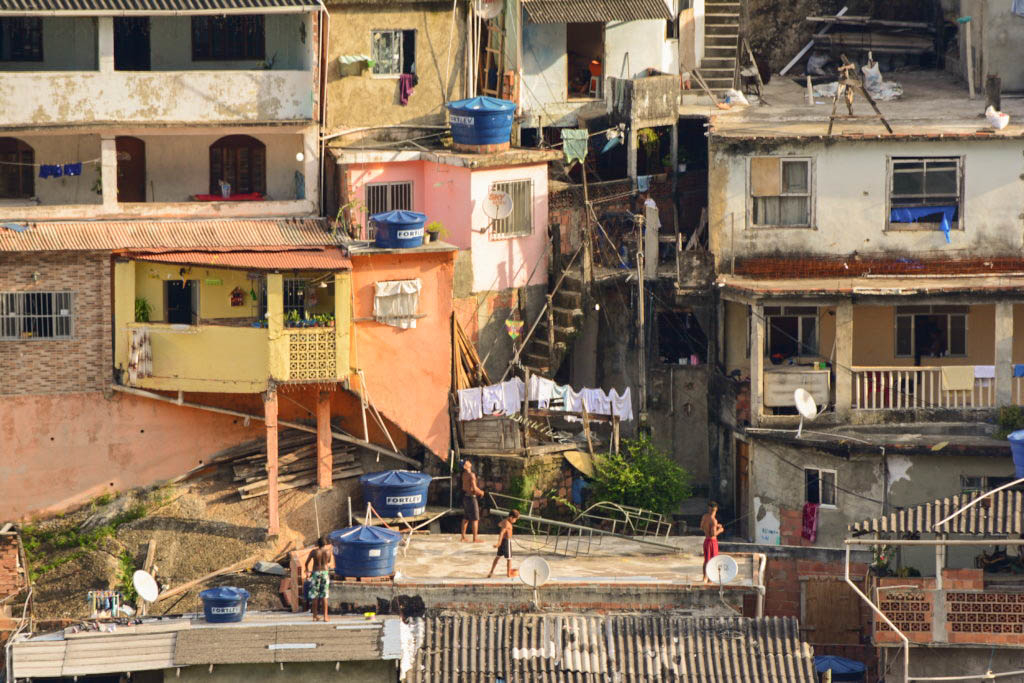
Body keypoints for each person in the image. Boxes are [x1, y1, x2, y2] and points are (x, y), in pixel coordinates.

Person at [305, 536, 333, 622]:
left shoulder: (313, 552)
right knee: (324, 596)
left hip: (315, 573)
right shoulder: (328, 552)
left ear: (318, 544)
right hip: (324, 573)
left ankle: (314, 616)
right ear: (325, 544)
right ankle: (325, 617)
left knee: (315, 596)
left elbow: (306, 563)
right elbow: (328, 562)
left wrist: (307, 571)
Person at [488, 509, 520, 578]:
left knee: (497, 557)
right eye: (515, 519)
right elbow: (502, 532)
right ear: (511, 517)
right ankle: (509, 574)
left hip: (503, 541)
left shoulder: (505, 521)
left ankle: (491, 572)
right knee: (509, 559)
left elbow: (499, 524)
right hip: (506, 542)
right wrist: (498, 543)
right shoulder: (507, 523)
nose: (515, 521)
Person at [460, 459, 485, 543]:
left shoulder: (464, 474)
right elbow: (474, 488)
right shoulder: (471, 475)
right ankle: (475, 539)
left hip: (465, 497)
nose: (468, 461)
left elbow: (464, 487)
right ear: (465, 466)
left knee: (465, 518)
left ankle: (463, 537)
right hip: (471, 498)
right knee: (475, 519)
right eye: (466, 462)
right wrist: (481, 492)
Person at [700, 501, 724, 584]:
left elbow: (702, 526)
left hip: (706, 541)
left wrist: (714, 526)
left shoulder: (705, 516)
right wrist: (720, 530)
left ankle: (704, 577)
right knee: (713, 561)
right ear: (716, 509)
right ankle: (710, 578)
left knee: (706, 560)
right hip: (712, 542)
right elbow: (713, 534)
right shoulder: (714, 520)